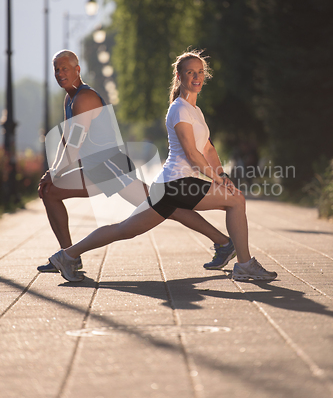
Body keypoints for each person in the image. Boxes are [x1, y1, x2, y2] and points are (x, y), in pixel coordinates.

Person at [40, 49, 277, 282]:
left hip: (161, 183)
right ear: (179, 76)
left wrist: (221, 175)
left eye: (200, 72)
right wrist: (218, 181)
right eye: (190, 72)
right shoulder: (179, 109)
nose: (196, 77)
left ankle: (68, 255)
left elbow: (208, 149)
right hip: (177, 183)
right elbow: (193, 155)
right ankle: (243, 263)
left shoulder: (195, 111)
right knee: (236, 201)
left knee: (125, 229)